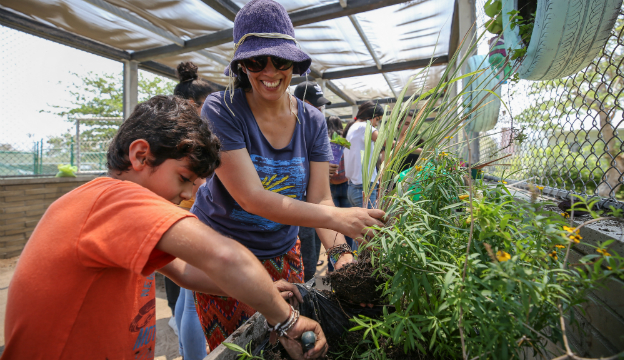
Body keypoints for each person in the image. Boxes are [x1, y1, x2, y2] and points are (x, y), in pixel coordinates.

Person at [2, 95, 327, 360]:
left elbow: (184, 270)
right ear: (141, 155)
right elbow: (226, 257)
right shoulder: (115, 199)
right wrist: (287, 320)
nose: (188, 194)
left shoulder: (112, 211)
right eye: (184, 179)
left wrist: (267, 292)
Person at [190, 0, 385, 350]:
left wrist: (342, 256)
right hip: (224, 255)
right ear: (241, 65)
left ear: (293, 62)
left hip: (283, 255)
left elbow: (320, 198)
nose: (269, 72)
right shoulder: (222, 108)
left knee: (293, 344)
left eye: (279, 60)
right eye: (255, 61)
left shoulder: (311, 121)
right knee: (239, 349)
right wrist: (340, 217)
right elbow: (250, 197)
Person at [168, 61, 217, 360]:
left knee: (186, 296)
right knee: (193, 300)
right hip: (193, 216)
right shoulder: (193, 135)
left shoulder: (171, 129)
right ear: (191, 104)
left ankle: (187, 353)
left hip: (180, 215)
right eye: (206, 104)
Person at [293, 81, 333, 281]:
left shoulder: (315, 126)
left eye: (319, 105)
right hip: (292, 209)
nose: (317, 109)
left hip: (310, 205)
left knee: (308, 262)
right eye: (312, 104)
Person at [326, 116, 354, 272]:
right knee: (347, 226)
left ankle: (332, 269)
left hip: (329, 186)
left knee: (332, 228)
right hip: (345, 184)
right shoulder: (344, 139)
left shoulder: (323, 139)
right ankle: (347, 263)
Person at [343, 101, 384, 209]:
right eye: (377, 120)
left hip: (353, 187)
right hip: (364, 188)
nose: (376, 124)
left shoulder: (353, 127)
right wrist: (416, 148)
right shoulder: (364, 127)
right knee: (370, 225)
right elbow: (386, 142)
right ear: (372, 116)